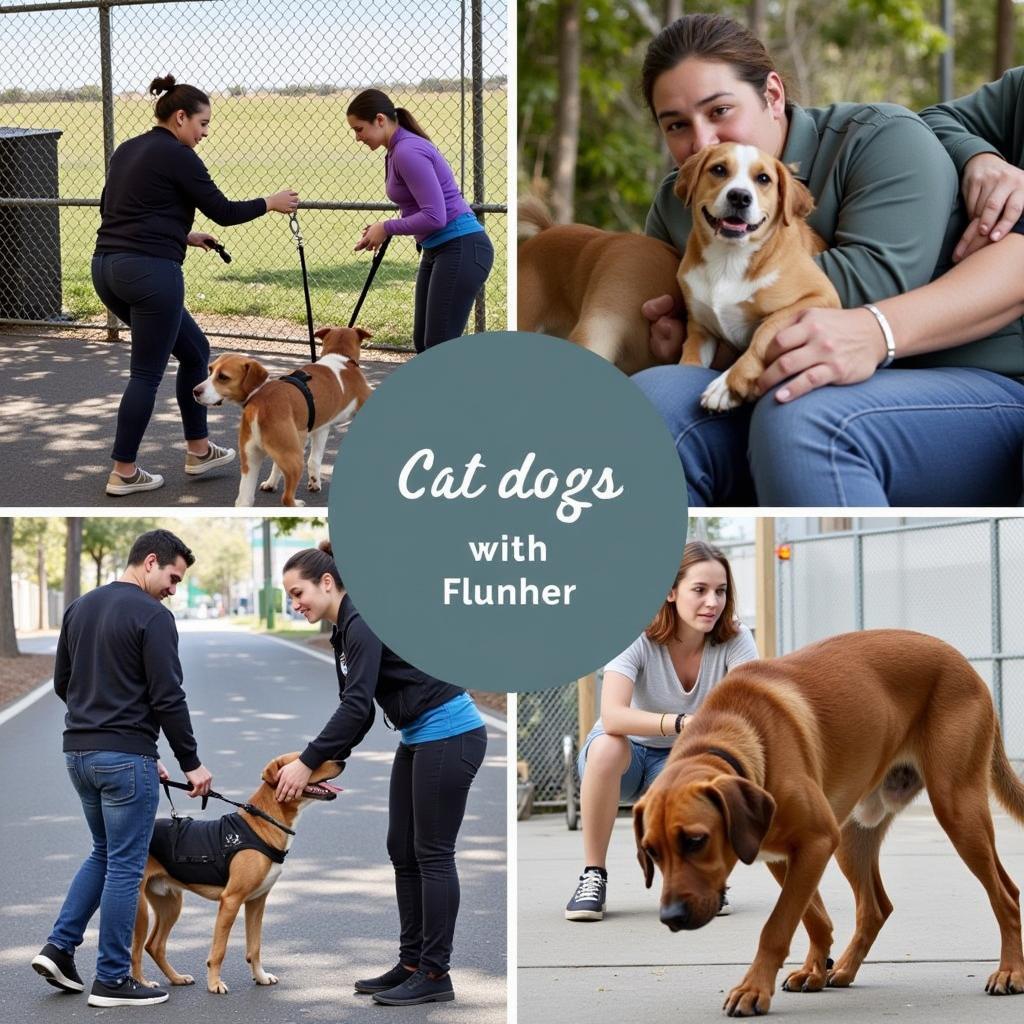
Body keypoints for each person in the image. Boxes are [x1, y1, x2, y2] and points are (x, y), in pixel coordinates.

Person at [631, 15, 1024, 507]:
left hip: (958, 375)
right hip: (778, 378)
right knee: (649, 404)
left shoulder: (882, 140)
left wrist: (721, 317)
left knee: (800, 411)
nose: (703, 140)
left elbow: (867, 287)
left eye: (720, 110)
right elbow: (681, 312)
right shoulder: (679, 197)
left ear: (773, 95)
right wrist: (676, 331)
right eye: (676, 125)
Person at [275, 541, 487, 1006]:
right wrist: (326, 761)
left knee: (432, 853)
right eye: (289, 597)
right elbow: (358, 708)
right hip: (419, 735)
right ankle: (412, 962)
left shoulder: (362, 616)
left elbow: (356, 707)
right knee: (402, 849)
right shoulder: (344, 629)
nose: (295, 604)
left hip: (450, 732)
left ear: (326, 582)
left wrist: (307, 761)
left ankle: (435, 973)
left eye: (298, 592)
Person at [31, 529, 213, 1008]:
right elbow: (168, 696)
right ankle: (112, 978)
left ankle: (59, 948)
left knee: (104, 854)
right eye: (173, 577)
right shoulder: (153, 616)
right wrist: (190, 763)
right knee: (126, 866)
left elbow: (62, 683)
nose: (174, 589)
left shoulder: (80, 607)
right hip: (123, 760)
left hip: (78, 755)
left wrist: (103, 725)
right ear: (150, 562)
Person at [94, 75, 300, 498]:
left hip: (107, 269)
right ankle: (124, 472)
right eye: (202, 124)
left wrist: (183, 235)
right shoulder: (179, 154)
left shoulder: (127, 149)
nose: (204, 133)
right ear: (181, 116)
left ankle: (199, 449)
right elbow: (222, 211)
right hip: (152, 275)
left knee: (194, 352)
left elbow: (122, 210)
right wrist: (270, 203)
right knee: (146, 374)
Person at [565, 541, 757, 922]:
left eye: (720, 591)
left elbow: (746, 712)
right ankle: (593, 875)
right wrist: (683, 722)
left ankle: (703, 882)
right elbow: (614, 715)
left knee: (716, 768)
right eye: (699, 590)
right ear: (670, 592)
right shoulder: (634, 633)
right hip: (627, 758)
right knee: (607, 747)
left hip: (681, 761)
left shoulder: (736, 639)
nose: (712, 602)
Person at [347, 89, 494, 352]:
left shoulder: (407, 151)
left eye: (359, 129)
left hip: (461, 246)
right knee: (426, 347)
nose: (357, 138)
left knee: (437, 350)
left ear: (380, 120)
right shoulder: (395, 150)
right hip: (438, 249)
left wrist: (387, 227)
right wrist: (381, 229)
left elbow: (435, 216)